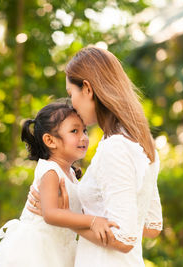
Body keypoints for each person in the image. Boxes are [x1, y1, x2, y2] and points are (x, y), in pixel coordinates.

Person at [27, 46, 163, 266]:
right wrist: (82, 214)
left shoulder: (115, 148)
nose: (72, 105)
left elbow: (123, 237)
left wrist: (63, 217)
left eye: (72, 95)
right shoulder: (142, 143)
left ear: (88, 89)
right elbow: (151, 226)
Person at [0, 102, 119, 267]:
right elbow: (51, 214)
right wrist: (93, 221)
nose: (83, 137)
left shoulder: (71, 174)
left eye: (84, 130)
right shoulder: (50, 171)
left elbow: (73, 210)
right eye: (74, 131)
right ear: (50, 140)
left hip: (60, 248)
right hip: (37, 249)